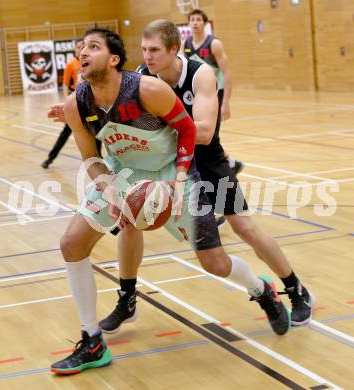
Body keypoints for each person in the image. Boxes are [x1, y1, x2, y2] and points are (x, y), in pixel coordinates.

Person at [48, 27, 290, 375]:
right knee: (72, 244)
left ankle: (261, 289)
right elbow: (91, 158)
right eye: (80, 48)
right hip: (123, 172)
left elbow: (189, 131)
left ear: (113, 59)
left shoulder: (146, 89)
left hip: (172, 171)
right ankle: (92, 341)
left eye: (93, 46)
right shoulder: (77, 103)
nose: (83, 52)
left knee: (215, 264)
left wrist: (177, 183)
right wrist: (112, 192)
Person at [99, 20, 313, 337]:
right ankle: (127, 296)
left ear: (174, 49)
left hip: (207, 160)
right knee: (131, 219)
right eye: (144, 50)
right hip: (169, 162)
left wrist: (157, 128)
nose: (148, 57)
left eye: (155, 50)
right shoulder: (143, 77)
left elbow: (203, 131)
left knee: (244, 227)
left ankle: (294, 288)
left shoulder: (200, 74)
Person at [183, 8, 243, 175]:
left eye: (198, 20)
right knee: (199, 135)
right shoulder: (185, 44)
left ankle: (225, 166)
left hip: (215, 94)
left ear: (205, 23)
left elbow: (227, 73)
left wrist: (226, 102)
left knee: (210, 136)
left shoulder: (214, 44)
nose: (195, 22)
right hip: (196, 93)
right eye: (192, 19)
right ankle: (229, 162)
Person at [42, 38, 101, 169]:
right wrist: (68, 101)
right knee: (65, 133)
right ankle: (50, 158)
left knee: (96, 131)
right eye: (79, 47)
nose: (81, 49)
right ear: (75, 49)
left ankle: (100, 161)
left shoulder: (92, 63)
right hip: (76, 103)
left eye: (83, 46)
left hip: (91, 103)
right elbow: (65, 84)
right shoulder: (71, 64)